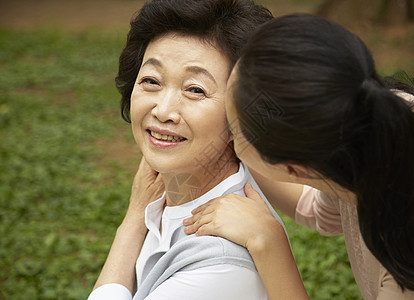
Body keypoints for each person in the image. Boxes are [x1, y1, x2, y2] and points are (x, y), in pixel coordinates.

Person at [183, 13, 414, 300]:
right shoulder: (366, 117)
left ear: (295, 169)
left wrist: (268, 241)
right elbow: (318, 208)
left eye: (233, 130)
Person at [87, 1, 302, 300]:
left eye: (195, 89)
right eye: (151, 80)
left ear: (244, 115)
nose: (163, 111)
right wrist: (137, 216)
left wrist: (129, 226)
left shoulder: (221, 269)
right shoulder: (167, 197)